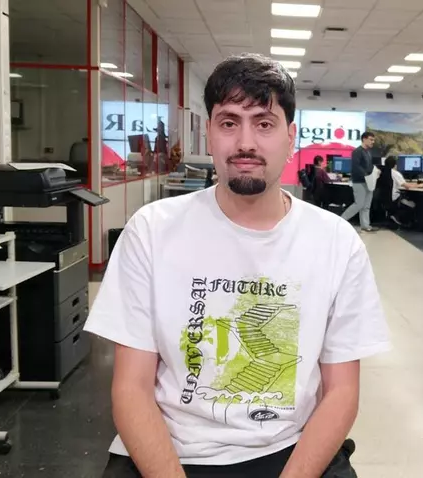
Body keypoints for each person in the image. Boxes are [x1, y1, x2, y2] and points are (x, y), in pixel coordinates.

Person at [85, 53, 391, 478]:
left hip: (290, 446)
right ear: (209, 134)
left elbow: (341, 393)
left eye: (264, 123)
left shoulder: (337, 243)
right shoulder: (151, 231)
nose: (246, 142)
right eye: (229, 122)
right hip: (173, 448)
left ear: (290, 137)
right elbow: (131, 388)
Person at [341, 132, 376, 232]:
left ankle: (365, 225)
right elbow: (356, 167)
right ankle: (341, 220)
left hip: (369, 181)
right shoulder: (357, 152)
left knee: (366, 206)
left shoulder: (368, 152)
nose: (373, 142)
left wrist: (374, 172)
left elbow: (369, 167)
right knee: (359, 204)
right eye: (371, 139)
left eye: (373, 140)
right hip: (359, 181)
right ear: (364, 139)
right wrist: (366, 175)